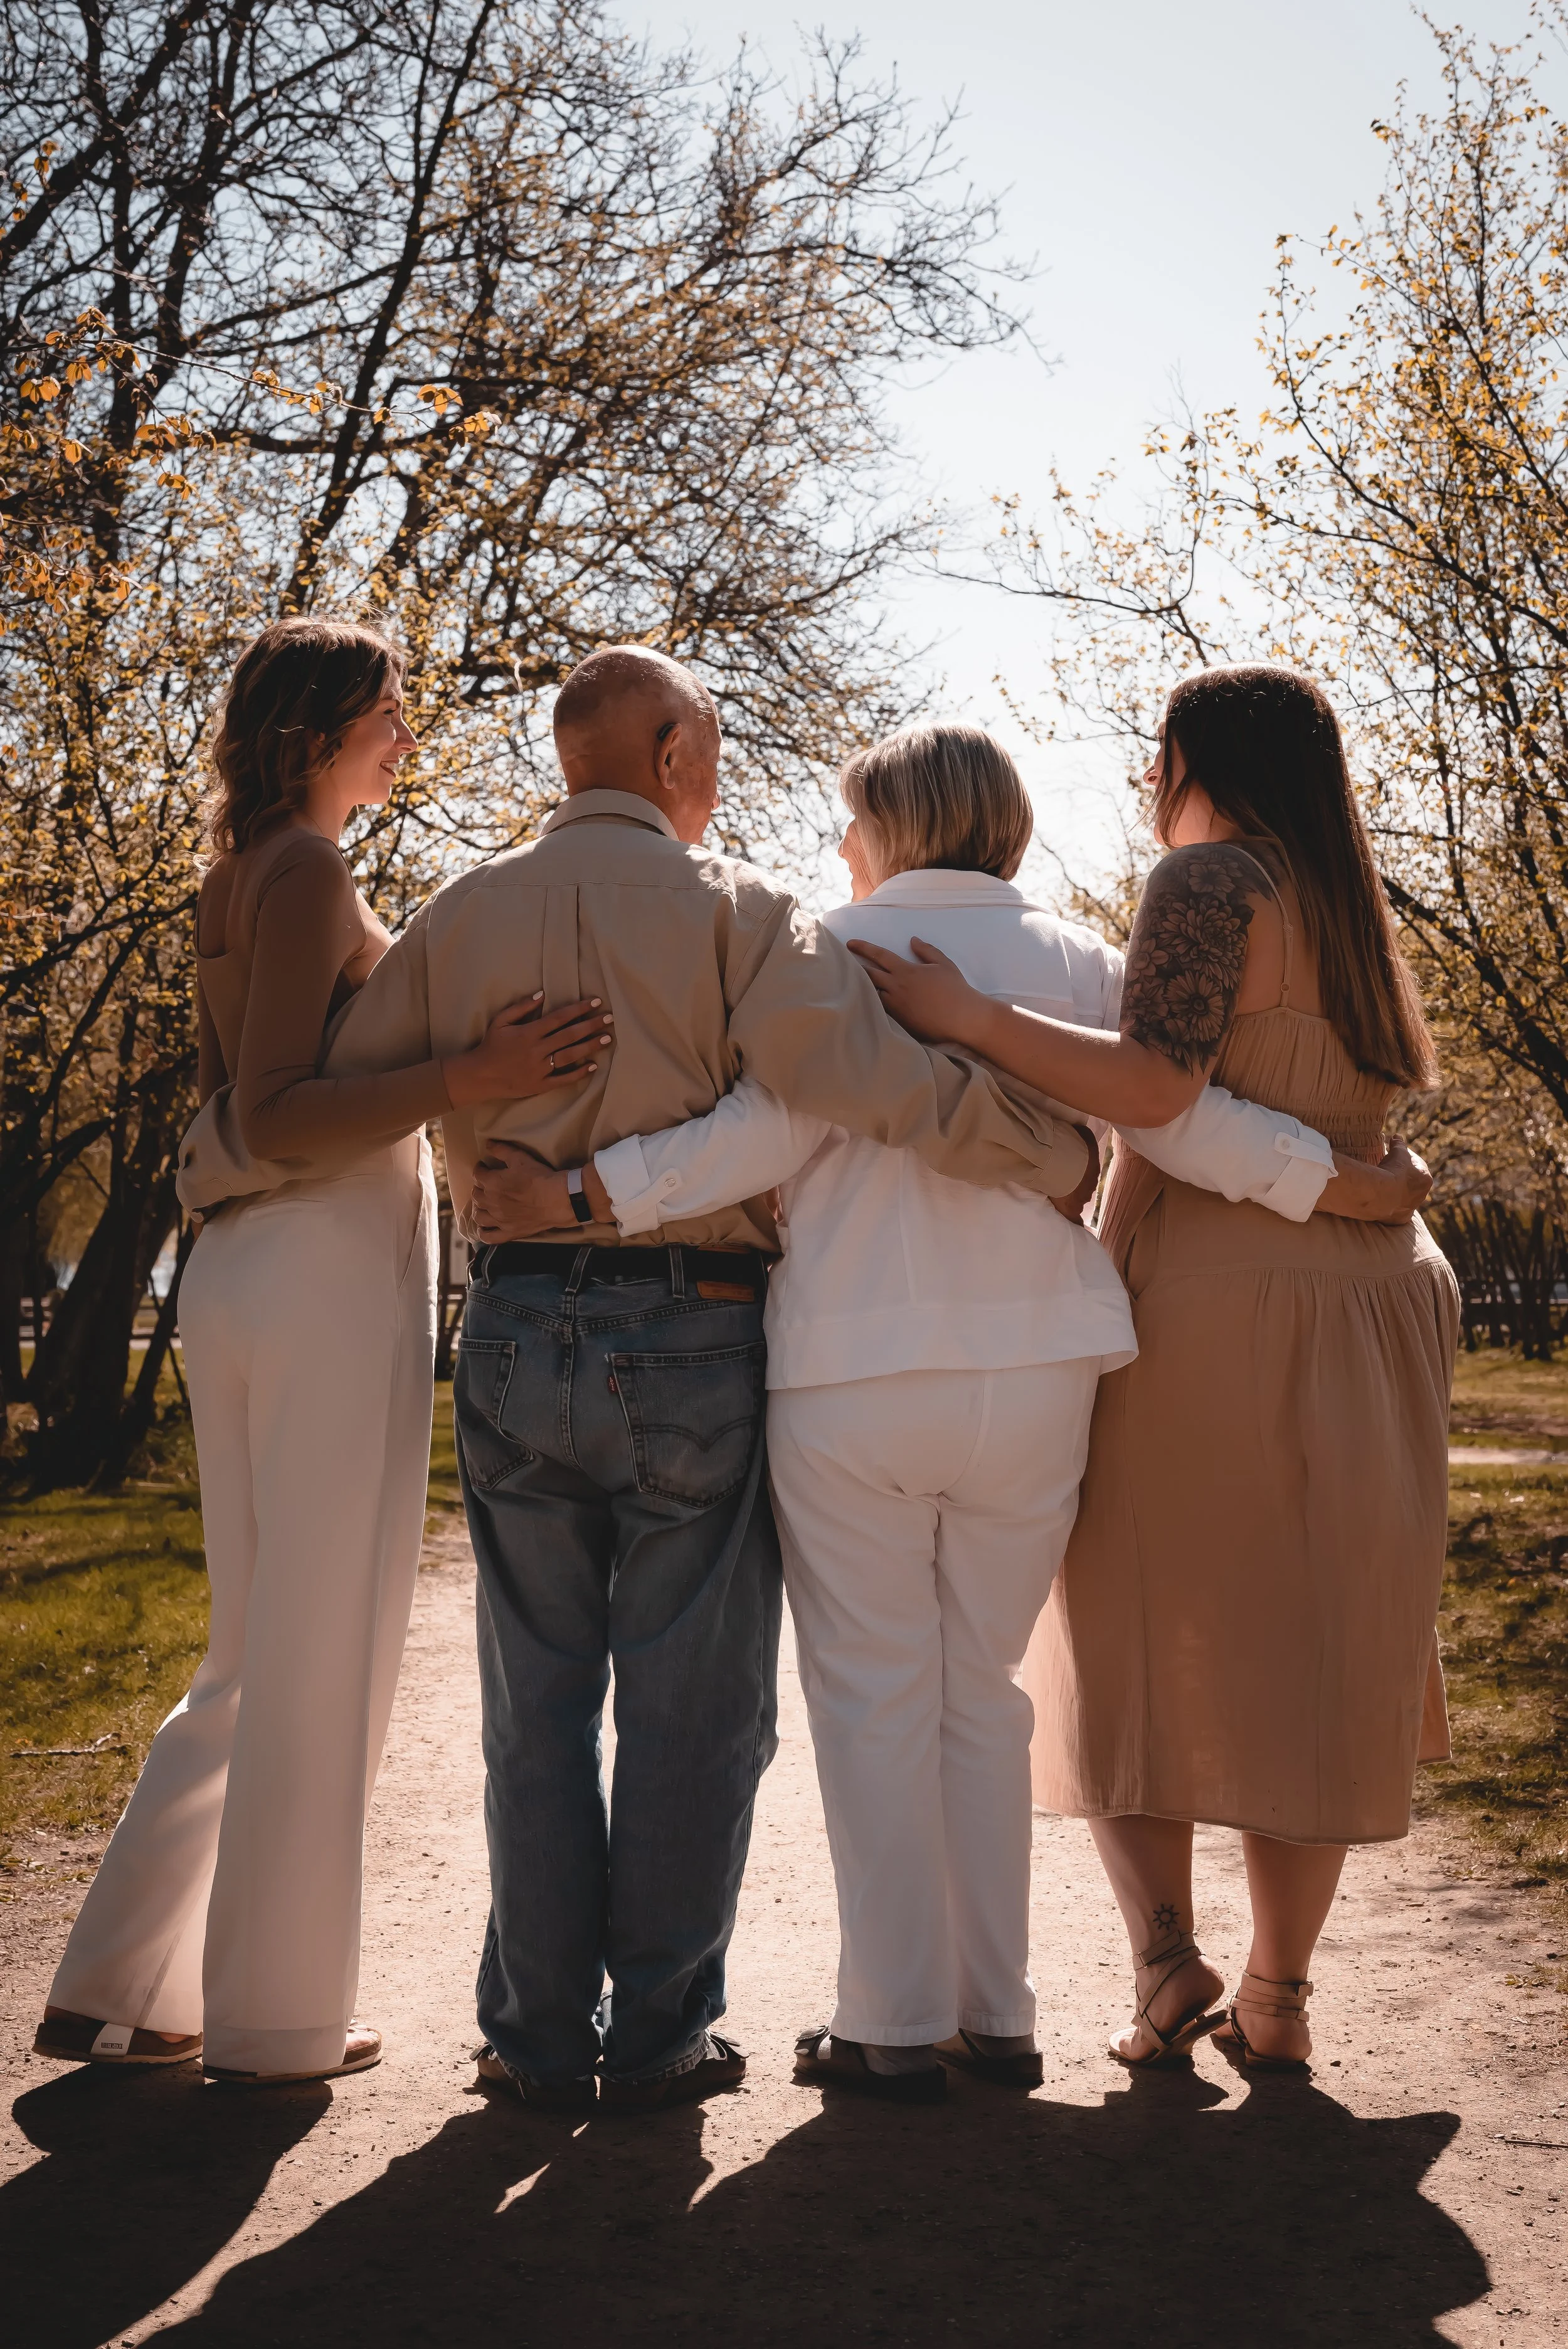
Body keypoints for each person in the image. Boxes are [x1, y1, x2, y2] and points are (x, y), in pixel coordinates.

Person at [469, 721, 1428, 2102]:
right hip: (1038, 1368)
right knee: (982, 1694)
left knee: (869, 1698)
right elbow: (1179, 1117)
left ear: (885, 821)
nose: (838, 844)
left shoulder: (825, 942)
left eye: (849, 817)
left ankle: (890, 2021)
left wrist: (588, 1192)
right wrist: (1337, 1177)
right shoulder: (1088, 961)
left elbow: (763, 1131)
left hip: (855, 1364)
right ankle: (998, 2014)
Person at [304, 645, 1109, 2117]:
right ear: (670, 750)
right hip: (685, 1328)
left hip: (512, 1323)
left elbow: (346, 1085)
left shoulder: (459, 910)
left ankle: (536, 2039)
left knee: (529, 1702)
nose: (723, 775)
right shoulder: (743, 911)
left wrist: (475, 1114)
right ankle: (662, 2030)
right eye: (716, 746)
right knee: (690, 1705)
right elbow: (858, 1084)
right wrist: (1051, 1151)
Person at [852, 667, 1455, 2076]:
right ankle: (1277, 1996)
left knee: (1133, 1627)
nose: (1145, 781)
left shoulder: (1207, 882)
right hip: (1375, 1306)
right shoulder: (1354, 916)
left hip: (1222, 1304)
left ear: (1201, 761)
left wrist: (971, 1022)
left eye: (1158, 753)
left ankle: (1166, 1963)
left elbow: (1152, 1092)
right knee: (1313, 1637)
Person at [35, 616, 608, 2086]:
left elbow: (238, 1112)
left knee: (253, 1647)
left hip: (254, 1277)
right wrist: (465, 1078)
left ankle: (123, 1982)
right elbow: (282, 1111)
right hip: (314, 1275)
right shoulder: (300, 869)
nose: (405, 737)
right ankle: (278, 2024)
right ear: (316, 732)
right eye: (388, 714)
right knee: (319, 1650)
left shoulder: (251, 870)